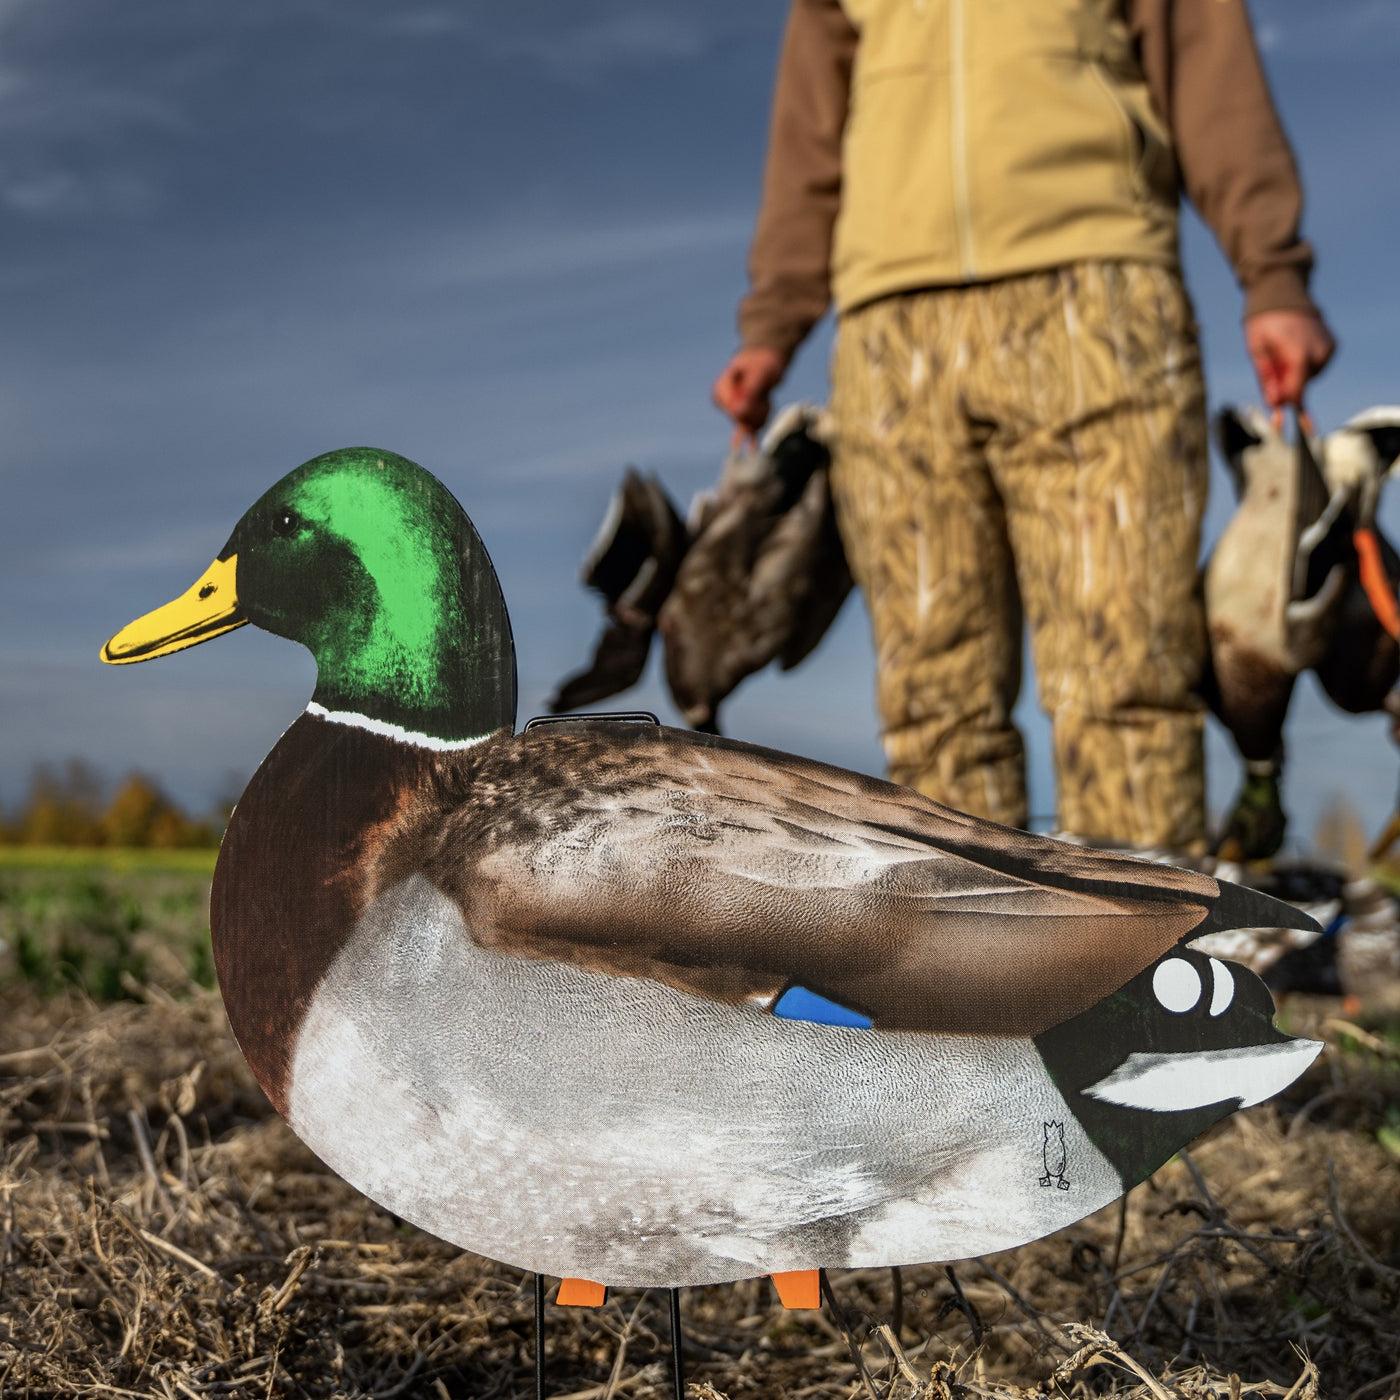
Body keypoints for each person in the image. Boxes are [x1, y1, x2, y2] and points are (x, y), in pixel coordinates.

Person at [712, 0, 1335, 854]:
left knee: (1126, 669)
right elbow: (810, 134)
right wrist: (772, 324)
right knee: (934, 696)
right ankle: (965, 980)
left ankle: (1145, 972)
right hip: (891, 334)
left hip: (1099, 300)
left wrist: (1273, 275)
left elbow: (1208, 71)